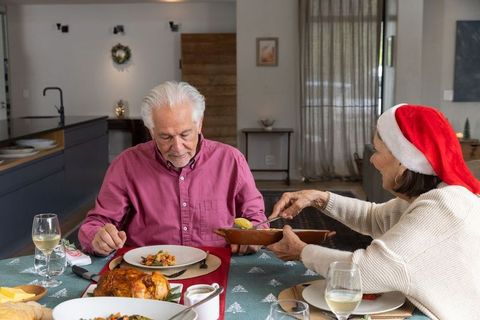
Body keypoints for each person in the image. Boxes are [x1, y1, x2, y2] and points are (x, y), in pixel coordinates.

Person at [267, 104, 480, 320]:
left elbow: (364, 272)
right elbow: (374, 218)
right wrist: (318, 198)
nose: (372, 159)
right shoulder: (435, 195)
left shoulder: (440, 207)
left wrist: (301, 251)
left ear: (403, 159)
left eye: (377, 151)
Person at [78, 81, 266, 256]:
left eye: (185, 134)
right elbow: (96, 224)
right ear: (151, 131)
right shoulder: (126, 164)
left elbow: (258, 220)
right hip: (147, 273)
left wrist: (254, 237)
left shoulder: (231, 160)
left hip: (218, 267)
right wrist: (98, 238)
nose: (177, 148)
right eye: (166, 137)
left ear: (199, 124)